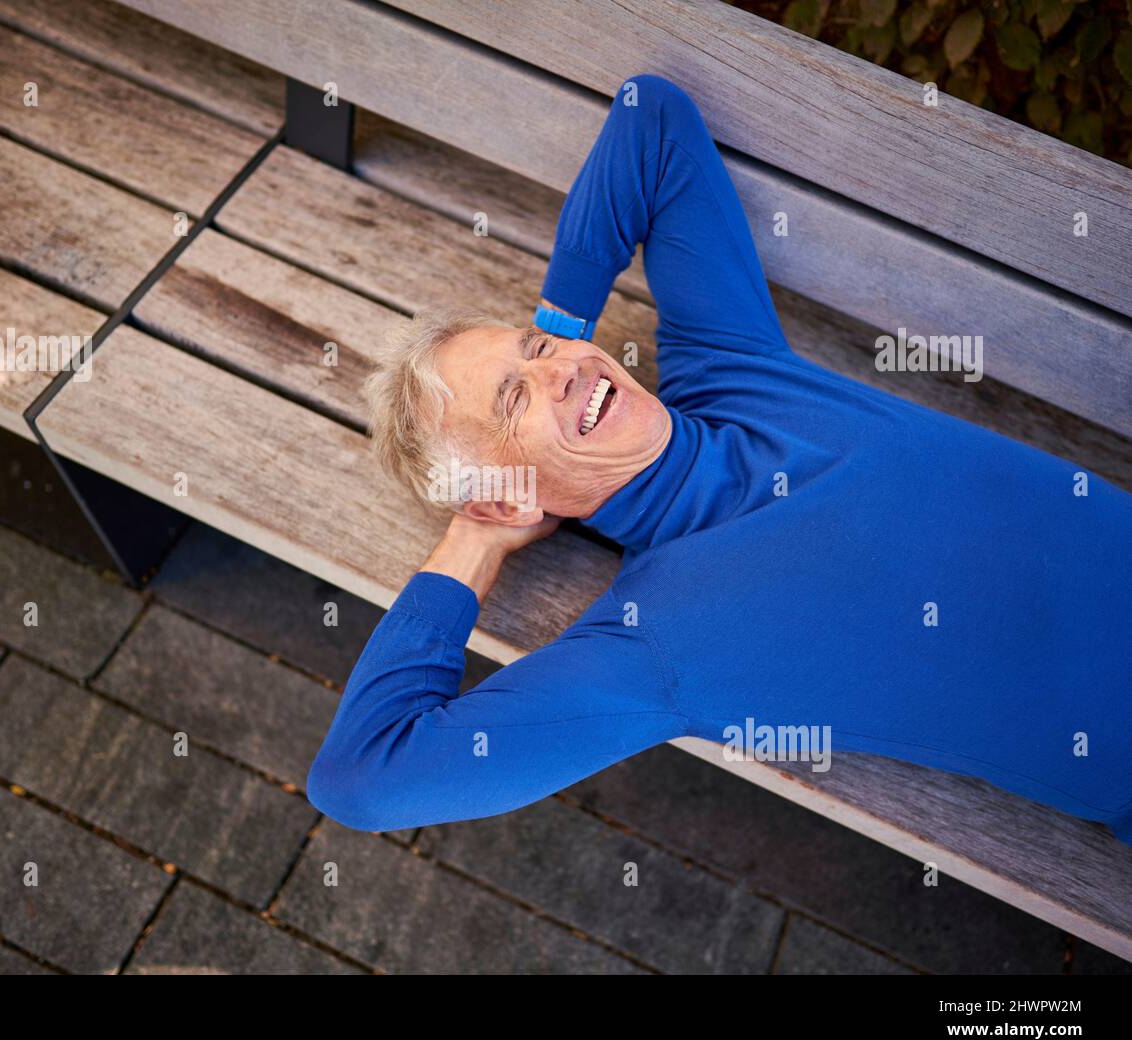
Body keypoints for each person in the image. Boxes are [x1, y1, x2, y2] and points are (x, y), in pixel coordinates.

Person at [306, 73, 1132, 842]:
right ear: (503, 494)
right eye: (515, 400)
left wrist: (560, 322)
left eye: (535, 348)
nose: (563, 370)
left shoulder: (727, 367)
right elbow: (362, 776)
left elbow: (651, 116)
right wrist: (475, 540)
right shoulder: (657, 647)